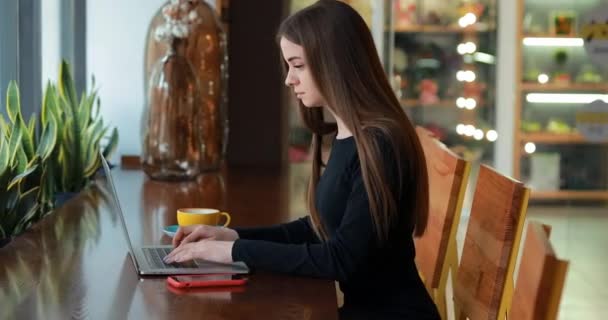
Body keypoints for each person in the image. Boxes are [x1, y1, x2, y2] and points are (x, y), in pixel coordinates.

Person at [164, 1, 440, 319]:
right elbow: (319, 228)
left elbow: (341, 259)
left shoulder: (381, 143)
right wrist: (234, 236)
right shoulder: (349, 134)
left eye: (298, 65)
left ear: (333, 61)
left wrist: (231, 252)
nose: (289, 79)